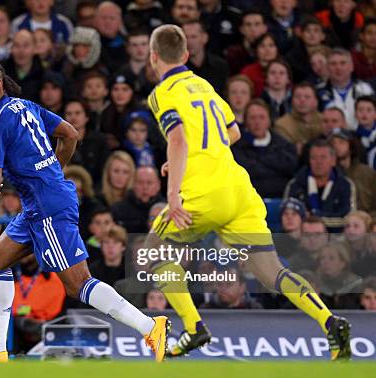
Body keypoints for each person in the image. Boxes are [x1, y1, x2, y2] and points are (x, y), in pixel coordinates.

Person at [146, 24, 350, 360]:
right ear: (185, 55)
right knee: (271, 271)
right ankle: (331, 322)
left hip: (202, 193)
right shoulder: (205, 85)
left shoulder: (162, 92)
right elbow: (233, 132)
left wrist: (172, 192)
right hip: (238, 190)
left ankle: (194, 327)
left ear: (154, 57)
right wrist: (187, 159)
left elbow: (179, 138)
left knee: (153, 251)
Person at [0, 58, 170, 363]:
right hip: (39, 202)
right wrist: (52, 171)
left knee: (77, 283)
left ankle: (150, 326)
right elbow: (70, 134)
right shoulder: (25, 106)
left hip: (46, 206)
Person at [284, 139, 356, 233]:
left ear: (333, 161)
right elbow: (287, 217)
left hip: (336, 238)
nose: (318, 162)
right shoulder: (295, 184)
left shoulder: (346, 185)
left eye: (323, 157)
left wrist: (315, 218)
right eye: (314, 158)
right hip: (301, 238)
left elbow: (348, 219)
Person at [231, 98, 297, 198]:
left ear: (269, 121)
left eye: (262, 117)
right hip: (247, 199)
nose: (257, 122)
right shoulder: (236, 147)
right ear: (246, 121)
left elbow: (290, 169)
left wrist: (259, 161)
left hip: (279, 199)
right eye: (252, 118)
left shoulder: (283, 145)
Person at [318, 48, 374, 129]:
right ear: (327, 68)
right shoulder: (319, 92)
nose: (338, 67)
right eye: (333, 64)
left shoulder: (365, 89)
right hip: (333, 139)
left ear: (351, 67)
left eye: (343, 63)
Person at [328, 128, 376, 216]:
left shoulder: (367, 172)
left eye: (341, 142)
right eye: (333, 143)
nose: (336, 146)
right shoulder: (326, 173)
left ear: (351, 146)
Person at [274, 82, 324, 154]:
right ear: (292, 101)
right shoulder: (282, 125)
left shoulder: (325, 120)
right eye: (297, 97)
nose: (302, 100)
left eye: (307, 97)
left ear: (315, 102)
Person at [111, 166, 164, 233]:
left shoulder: (167, 209)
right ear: (133, 184)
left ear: (158, 185)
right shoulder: (118, 210)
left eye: (149, 183)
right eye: (140, 182)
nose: (145, 187)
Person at [182, 20, 229, 93]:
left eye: (193, 37)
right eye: (185, 37)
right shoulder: (176, 67)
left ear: (205, 38)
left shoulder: (220, 66)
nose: (189, 42)